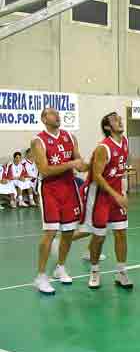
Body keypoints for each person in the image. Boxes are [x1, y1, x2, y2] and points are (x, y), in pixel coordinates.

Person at [31, 107, 88, 295]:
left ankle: (60, 267)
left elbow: (79, 160)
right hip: (50, 189)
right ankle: (40, 277)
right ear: (43, 118)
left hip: (69, 187)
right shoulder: (38, 141)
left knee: (69, 231)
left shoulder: (70, 137)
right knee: (50, 232)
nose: (57, 116)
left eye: (58, 113)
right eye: (52, 113)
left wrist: (87, 163)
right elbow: (45, 170)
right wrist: (72, 164)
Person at [79, 112, 133, 290]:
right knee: (99, 237)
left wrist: (123, 191)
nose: (120, 121)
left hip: (116, 194)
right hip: (100, 196)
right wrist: (115, 194)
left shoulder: (124, 142)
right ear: (108, 127)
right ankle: (94, 271)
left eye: (120, 118)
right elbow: (97, 176)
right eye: (115, 120)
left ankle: (121, 272)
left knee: (121, 234)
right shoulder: (104, 147)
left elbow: (120, 169)